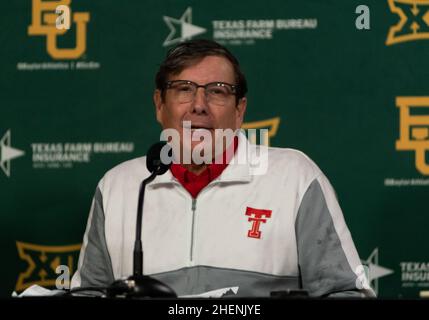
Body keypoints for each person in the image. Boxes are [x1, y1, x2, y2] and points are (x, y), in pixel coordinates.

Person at [71, 39, 375, 298]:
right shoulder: (119, 186)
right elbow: (89, 293)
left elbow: (346, 291)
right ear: (159, 105)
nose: (199, 105)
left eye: (216, 91)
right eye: (183, 89)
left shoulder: (294, 177)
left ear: (239, 110)